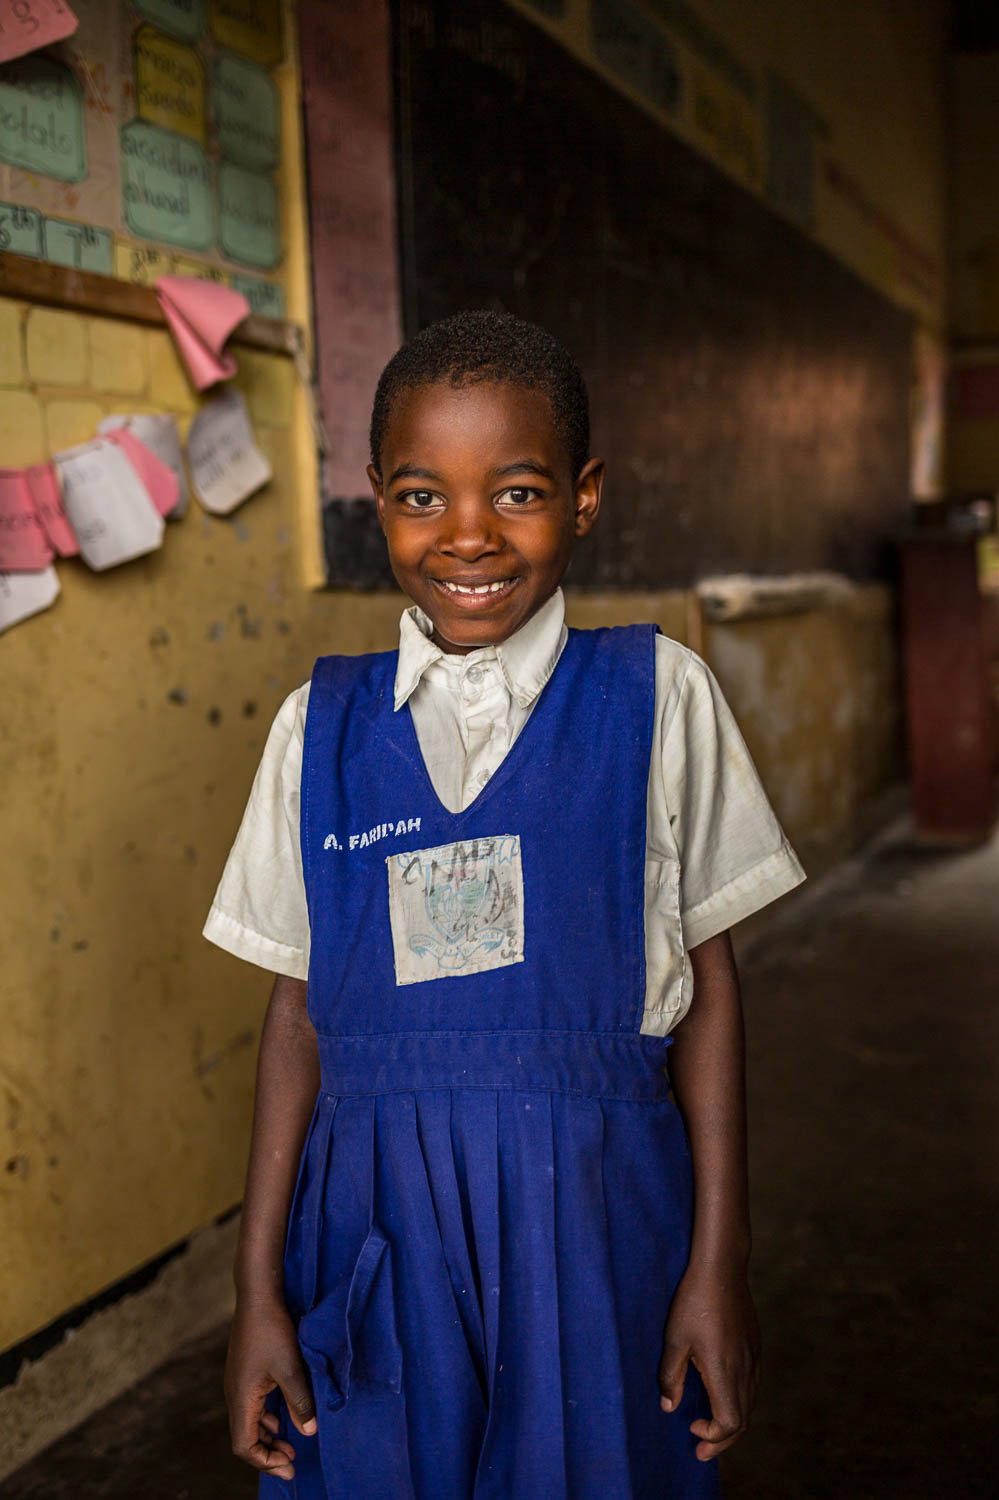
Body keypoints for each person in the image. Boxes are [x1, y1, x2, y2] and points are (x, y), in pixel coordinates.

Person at [204, 309, 805, 1499]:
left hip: (592, 1216)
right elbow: (296, 1012)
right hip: (377, 1226)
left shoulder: (657, 697)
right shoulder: (316, 731)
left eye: (517, 492)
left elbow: (708, 988)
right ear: (376, 496)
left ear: (583, 497)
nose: (467, 535)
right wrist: (255, 1290)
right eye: (423, 496)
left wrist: (718, 1262)